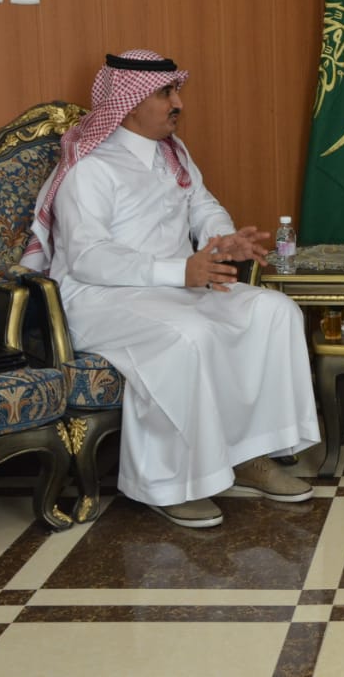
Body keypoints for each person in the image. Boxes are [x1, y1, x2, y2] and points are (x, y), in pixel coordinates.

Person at [23, 50, 322, 529]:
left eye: (176, 91)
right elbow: (88, 257)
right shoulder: (91, 167)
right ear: (130, 102)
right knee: (188, 335)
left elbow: (202, 207)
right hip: (101, 297)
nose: (178, 103)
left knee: (275, 311)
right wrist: (180, 272)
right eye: (166, 93)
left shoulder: (173, 153)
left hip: (178, 284)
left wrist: (223, 240)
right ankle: (172, 483)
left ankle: (249, 454)